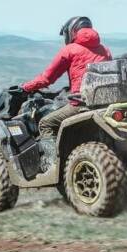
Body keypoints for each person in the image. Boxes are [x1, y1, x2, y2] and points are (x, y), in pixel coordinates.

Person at [21, 16, 111, 171]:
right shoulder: (105, 49)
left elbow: (47, 79)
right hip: (105, 103)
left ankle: (51, 166)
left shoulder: (70, 50)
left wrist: (25, 87)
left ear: (72, 32)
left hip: (81, 104)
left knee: (46, 123)